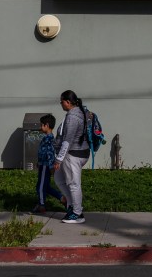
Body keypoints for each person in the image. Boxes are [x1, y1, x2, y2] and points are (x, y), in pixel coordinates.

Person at [54, 90, 89, 224]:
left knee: (73, 184)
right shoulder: (79, 112)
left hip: (73, 154)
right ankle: (71, 205)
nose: (60, 103)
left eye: (61, 101)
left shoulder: (73, 117)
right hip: (76, 152)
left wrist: (59, 159)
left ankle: (77, 213)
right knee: (58, 178)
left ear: (68, 102)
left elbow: (67, 140)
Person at [31, 113, 64, 214]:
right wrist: (39, 162)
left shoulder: (49, 139)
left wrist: (50, 166)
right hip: (42, 164)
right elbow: (43, 152)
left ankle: (41, 205)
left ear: (47, 125)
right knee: (45, 186)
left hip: (46, 166)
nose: (40, 127)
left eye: (42, 125)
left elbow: (50, 153)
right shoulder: (46, 138)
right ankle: (62, 198)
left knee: (41, 186)